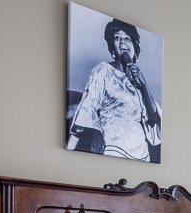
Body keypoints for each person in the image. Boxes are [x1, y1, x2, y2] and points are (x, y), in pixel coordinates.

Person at [69, 18, 161, 162]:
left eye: (127, 38)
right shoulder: (103, 70)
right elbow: (90, 103)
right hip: (112, 146)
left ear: (134, 45)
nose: (122, 43)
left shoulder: (137, 79)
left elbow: (154, 118)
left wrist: (143, 83)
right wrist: (96, 133)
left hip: (142, 154)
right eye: (117, 38)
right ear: (112, 46)